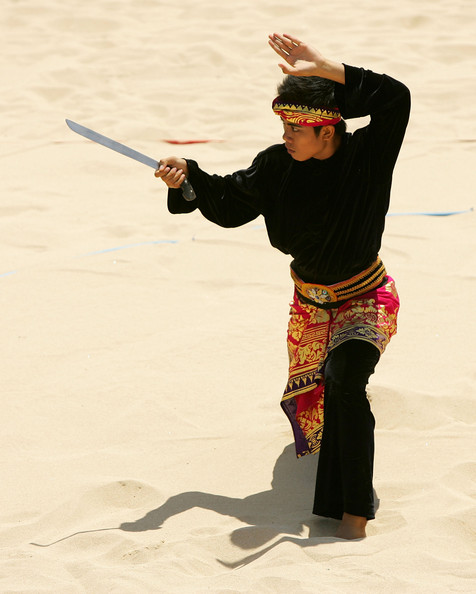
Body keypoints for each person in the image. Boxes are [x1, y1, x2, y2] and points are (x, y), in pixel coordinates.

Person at [154, 33, 411, 539]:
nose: (287, 136)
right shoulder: (276, 165)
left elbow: (396, 97)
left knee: (345, 381)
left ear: (327, 129)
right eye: (284, 126)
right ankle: (332, 487)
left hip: (366, 298)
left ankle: (354, 515)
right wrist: (187, 179)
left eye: (296, 127)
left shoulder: (368, 156)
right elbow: (228, 202)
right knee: (324, 398)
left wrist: (327, 67)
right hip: (309, 306)